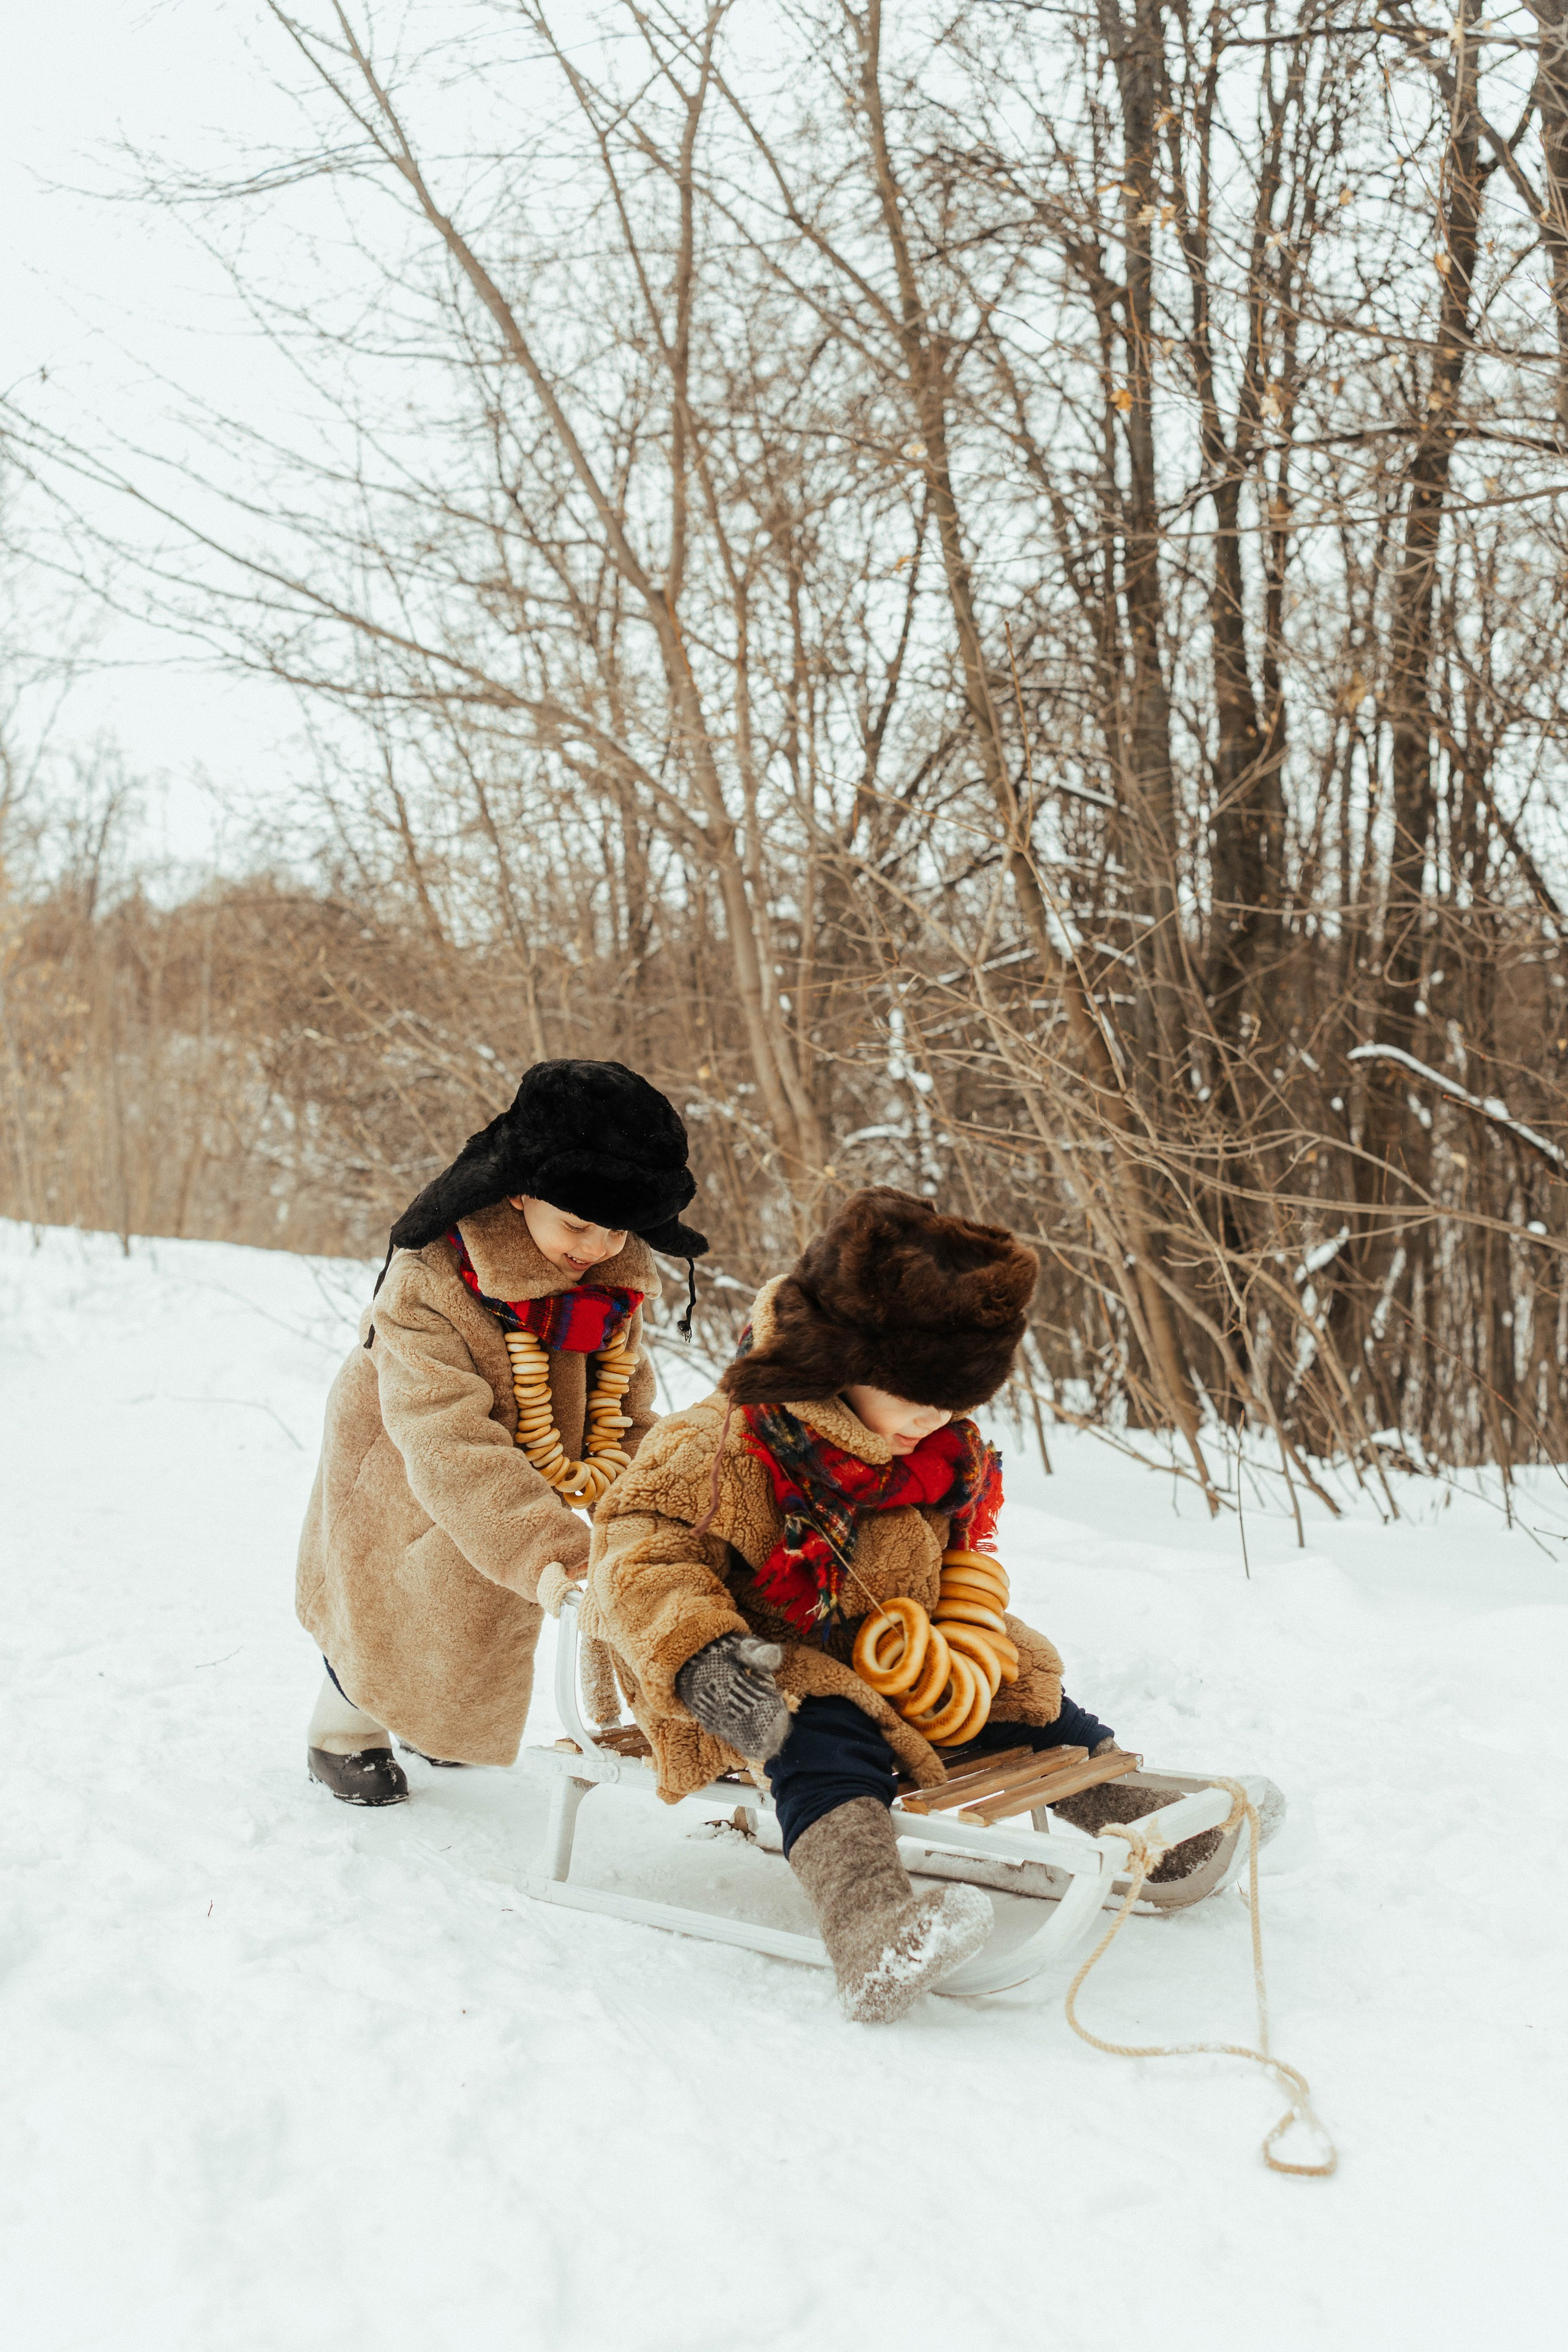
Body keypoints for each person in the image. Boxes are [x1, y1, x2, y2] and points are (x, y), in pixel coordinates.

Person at [586, 1185, 1126, 2022]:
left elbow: (943, 1569)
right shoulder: (720, 1444)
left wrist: (965, 1643)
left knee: (1011, 1676)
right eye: (917, 1390)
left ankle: (1141, 1817)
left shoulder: (932, 1450)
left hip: (885, 1649)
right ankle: (872, 1927)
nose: (936, 1416)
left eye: (955, 1398)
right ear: (842, 1363)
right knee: (820, 1731)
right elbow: (640, 1557)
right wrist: (704, 1661)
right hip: (747, 1672)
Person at [296, 1058, 706, 1804]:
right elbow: (450, 1446)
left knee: (476, 1606)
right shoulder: (430, 1282)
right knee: (398, 1591)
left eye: (617, 1228)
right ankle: (344, 1727)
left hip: (520, 1466)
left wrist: (678, 1502)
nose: (595, 1245)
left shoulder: (609, 1284)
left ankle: (435, 1716)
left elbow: (630, 1415)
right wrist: (555, 1553)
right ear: (520, 1192)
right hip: (404, 1460)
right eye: (577, 1223)